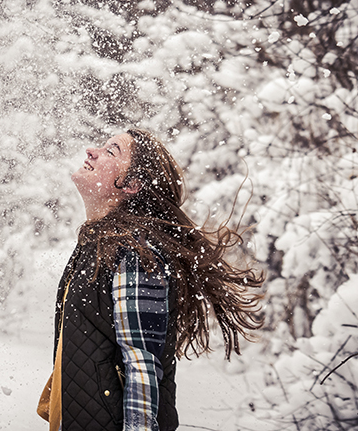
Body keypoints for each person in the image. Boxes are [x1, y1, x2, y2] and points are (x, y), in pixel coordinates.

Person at [37, 128, 263, 431]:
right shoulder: (101, 243)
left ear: (132, 184)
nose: (92, 151)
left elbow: (142, 366)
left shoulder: (137, 254)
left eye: (111, 150)